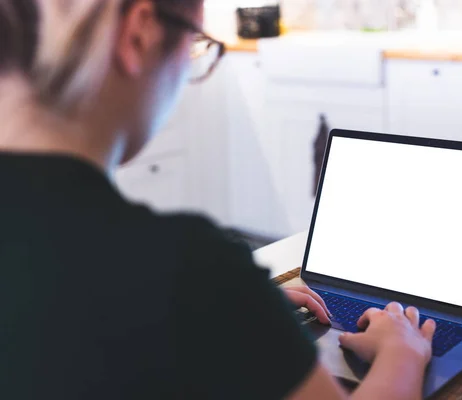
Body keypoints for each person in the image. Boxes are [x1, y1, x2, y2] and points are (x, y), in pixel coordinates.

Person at [0, 0, 436, 399]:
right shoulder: (187, 269)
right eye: (196, 45)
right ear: (140, 34)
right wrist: (403, 351)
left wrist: (231, 313)